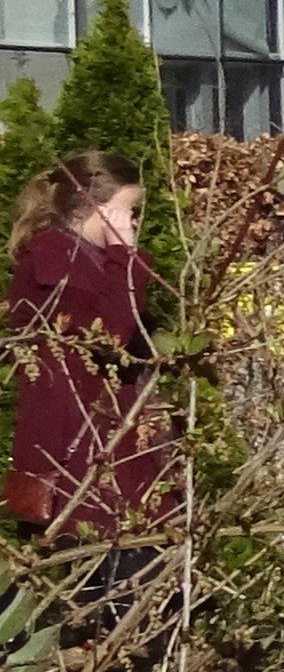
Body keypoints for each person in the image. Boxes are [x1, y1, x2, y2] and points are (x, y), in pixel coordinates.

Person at [7, 155, 169, 601]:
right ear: (92, 209)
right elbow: (110, 334)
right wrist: (123, 254)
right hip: (80, 467)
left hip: (113, 458)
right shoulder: (52, 259)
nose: (133, 223)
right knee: (105, 598)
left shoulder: (89, 260)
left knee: (143, 589)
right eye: (127, 210)